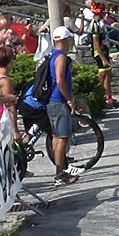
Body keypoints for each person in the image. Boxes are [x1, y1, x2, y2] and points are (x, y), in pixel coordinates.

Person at [41, 26, 80, 186]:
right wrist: (69, 99)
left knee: (58, 137)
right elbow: (60, 80)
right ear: (64, 40)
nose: (70, 42)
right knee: (62, 137)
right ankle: (60, 174)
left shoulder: (52, 55)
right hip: (58, 100)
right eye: (69, 39)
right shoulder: (61, 57)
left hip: (52, 100)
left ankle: (60, 171)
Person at [83, 0, 118, 107]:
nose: (105, 14)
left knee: (108, 74)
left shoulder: (101, 23)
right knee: (102, 75)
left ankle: (108, 97)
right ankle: (100, 97)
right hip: (99, 52)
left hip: (105, 49)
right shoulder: (94, 25)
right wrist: (102, 58)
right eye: (103, 12)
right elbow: (96, 43)